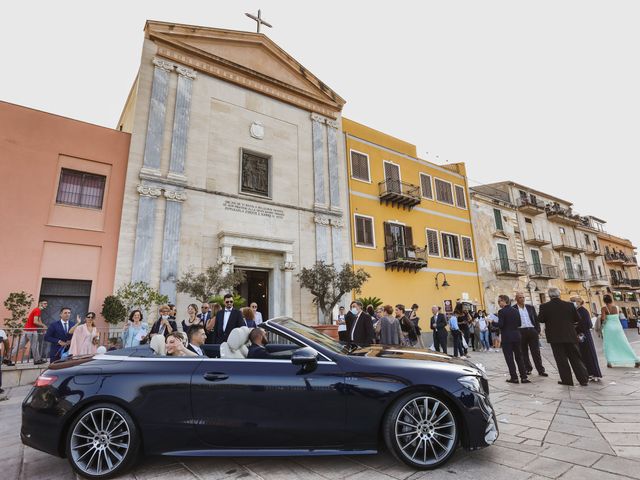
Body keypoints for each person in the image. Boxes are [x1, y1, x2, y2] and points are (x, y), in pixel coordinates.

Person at [538, 288, 589, 386]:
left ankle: (567, 380)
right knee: (576, 358)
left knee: (561, 360)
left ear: (549, 295)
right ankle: (583, 379)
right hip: (570, 335)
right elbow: (577, 319)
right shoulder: (569, 305)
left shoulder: (544, 306)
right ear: (559, 294)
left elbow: (540, 319)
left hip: (555, 337)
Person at [513, 292, 547, 377]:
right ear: (516, 299)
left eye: (523, 297)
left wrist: (537, 330)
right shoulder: (513, 309)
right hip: (521, 331)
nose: (522, 299)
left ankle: (541, 370)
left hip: (532, 331)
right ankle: (528, 369)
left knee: (536, 352)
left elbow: (536, 319)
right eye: (520, 297)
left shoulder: (530, 307)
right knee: (523, 352)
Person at [601, 294, 640, 368]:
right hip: (618, 328)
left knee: (609, 345)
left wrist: (602, 321)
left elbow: (603, 318)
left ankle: (610, 362)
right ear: (611, 299)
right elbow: (618, 316)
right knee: (624, 343)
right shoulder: (617, 307)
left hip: (609, 328)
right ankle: (635, 360)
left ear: (604, 300)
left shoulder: (604, 308)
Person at [498, 295, 529, 384]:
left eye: (499, 301)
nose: (499, 303)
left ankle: (514, 378)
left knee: (509, 358)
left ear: (504, 301)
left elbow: (501, 325)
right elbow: (519, 323)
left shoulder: (501, 311)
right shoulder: (515, 310)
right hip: (517, 336)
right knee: (519, 357)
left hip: (507, 338)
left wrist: (492, 322)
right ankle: (524, 377)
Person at [571, 296, 602, 382]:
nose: (572, 303)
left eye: (573, 301)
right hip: (580, 335)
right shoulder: (577, 311)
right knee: (583, 355)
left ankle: (595, 373)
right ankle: (588, 373)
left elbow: (587, 324)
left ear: (579, 302)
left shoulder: (583, 311)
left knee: (589, 354)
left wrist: (576, 326)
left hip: (584, 335)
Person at [11, 298, 47, 365]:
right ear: (40, 303)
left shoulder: (37, 310)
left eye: (46, 304)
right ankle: (37, 360)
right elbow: (35, 321)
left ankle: (8, 358)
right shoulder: (37, 310)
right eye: (44, 303)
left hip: (27, 330)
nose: (46, 305)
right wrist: (44, 326)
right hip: (32, 331)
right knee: (35, 345)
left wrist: (43, 327)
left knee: (20, 345)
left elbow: (39, 320)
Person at [0, 327, 7, 394]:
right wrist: (7, 352)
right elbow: (6, 342)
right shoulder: (1, 331)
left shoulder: (1, 331)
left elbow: (6, 342)